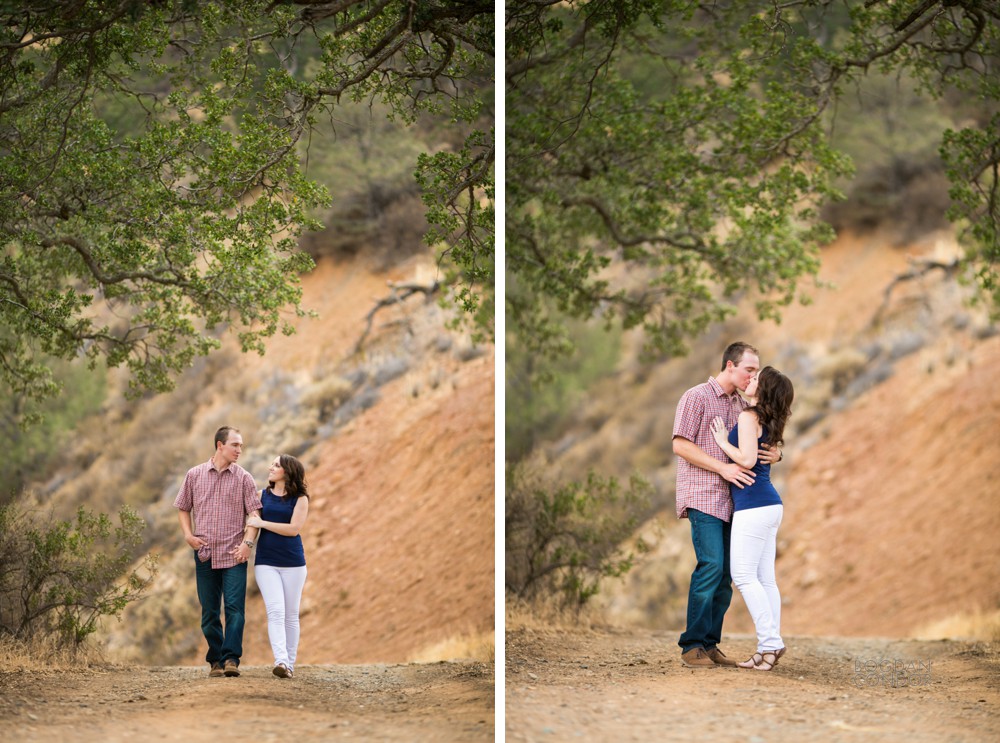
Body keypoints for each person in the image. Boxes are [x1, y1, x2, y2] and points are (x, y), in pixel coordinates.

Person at [671, 342, 782, 668]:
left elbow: (760, 442)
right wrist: (721, 467)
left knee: (727, 576)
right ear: (730, 366)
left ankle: (710, 643)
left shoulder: (743, 406)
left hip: (736, 503)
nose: (752, 376)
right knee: (712, 566)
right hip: (704, 495)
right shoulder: (696, 397)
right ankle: (692, 645)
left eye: (755, 371)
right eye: (749, 369)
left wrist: (777, 453)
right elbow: (680, 445)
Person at [711, 365, 794, 671]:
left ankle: (771, 643)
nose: (751, 379)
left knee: (744, 576)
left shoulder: (749, 416)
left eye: (757, 378)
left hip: (754, 505)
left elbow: (746, 459)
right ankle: (768, 647)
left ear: (765, 389)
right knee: (765, 580)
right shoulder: (770, 420)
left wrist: (722, 442)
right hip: (769, 505)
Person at [174, 426, 262, 678]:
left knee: (235, 608)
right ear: (219, 445)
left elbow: (254, 515)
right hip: (204, 553)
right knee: (210, 610)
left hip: (234, 554)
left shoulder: (244, 478)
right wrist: (188, 535)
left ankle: (231, 658)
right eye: (235, 445)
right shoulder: (194, 475)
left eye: (241, 446)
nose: (239, 450)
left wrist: (248, 544)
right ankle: (215, 660)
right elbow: (183, 507)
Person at [246, 454, 310, 679]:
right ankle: (281, 661)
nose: (270, 467)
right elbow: (250, 525)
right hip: (266, 562)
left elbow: (293, 529)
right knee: (275, 611)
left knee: (291, 615)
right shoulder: (261, 495)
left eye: (276, 465)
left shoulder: (300, 499)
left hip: (293, 563)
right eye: (272, 464)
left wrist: (262, 523)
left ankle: (290, 664)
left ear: (287, 472)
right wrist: (246, 544)